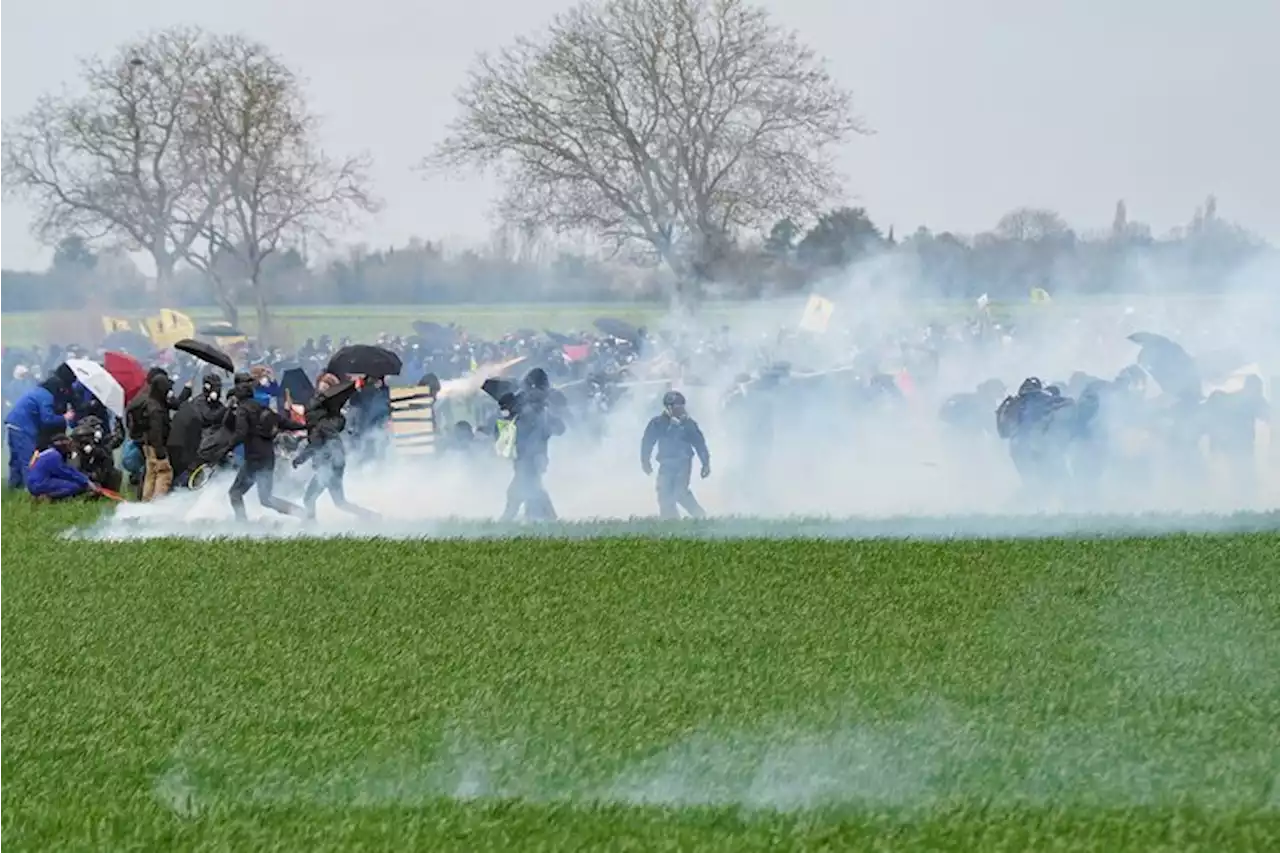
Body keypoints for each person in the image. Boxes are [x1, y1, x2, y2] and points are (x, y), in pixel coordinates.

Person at [226, 373, 305, 522]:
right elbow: (284, 422)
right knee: (266, 498)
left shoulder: (243, 409)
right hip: (268, 457)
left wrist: (226, 448)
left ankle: (241, 525)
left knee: (235, 493)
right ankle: (301, 513)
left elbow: (240, 433)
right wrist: (306, 425)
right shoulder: (262, 407)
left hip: (254, 458)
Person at [292, 381, 376, 520]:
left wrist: (299, 459)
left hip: (327, 466)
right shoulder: (328, 423)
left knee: (309, 498)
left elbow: (315, 446)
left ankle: (310, 525)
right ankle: (370, 516)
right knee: (340, 502)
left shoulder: (318, 426)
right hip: (336, 465)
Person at [499, 368, 565, 522]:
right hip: (527, 455)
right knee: (531, 490)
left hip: (533, 457)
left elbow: (558, 429)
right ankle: (547, 519)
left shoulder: (541, 409)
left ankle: (505, 522)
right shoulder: (528, 407)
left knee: (521, 492)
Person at [640, 390, 711, 520]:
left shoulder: (689, 424)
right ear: (668, 407)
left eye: (681, 406)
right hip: (666, 463)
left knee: (680, 493)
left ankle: (700, 516)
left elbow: (700, 443)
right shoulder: (658, 423)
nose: (680, 409)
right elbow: (648, 441)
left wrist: (705, 463)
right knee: (663, 493)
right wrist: (645, 461)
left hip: (683, 462)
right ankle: (671, 521)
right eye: (676, 406)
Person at [4, 363, 75, 489]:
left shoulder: (38, 391)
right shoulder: (46, 397)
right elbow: (47, 419)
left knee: (15, 461)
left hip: (12, 424)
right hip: (23, 428)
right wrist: (65, 417)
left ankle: (14, 487)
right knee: (29, 460)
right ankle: (31, 490)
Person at [168, 373, 227, 486]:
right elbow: (208, 417)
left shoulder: (217, 405)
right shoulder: (198, 402)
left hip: (208, 444)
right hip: (194, 444)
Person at [27, 434, 99, 501]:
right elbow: (66, 473)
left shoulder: (48, 453)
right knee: (75, 486)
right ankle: (47, 496)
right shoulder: (55, 456)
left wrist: (85, 479)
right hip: (40, 483)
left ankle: (41, 494)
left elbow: (68, 469)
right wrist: (86, 482)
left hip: (33, 483)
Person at [69, 417, 124, 493]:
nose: (99, 430)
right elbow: (75, 469)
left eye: (99, 427)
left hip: (100, 474)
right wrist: (90, 476)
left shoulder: (100, 443)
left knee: (115, 473)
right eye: (96, 427)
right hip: (85, 478)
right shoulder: (76, 449)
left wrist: (118, 424)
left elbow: (117, 439)